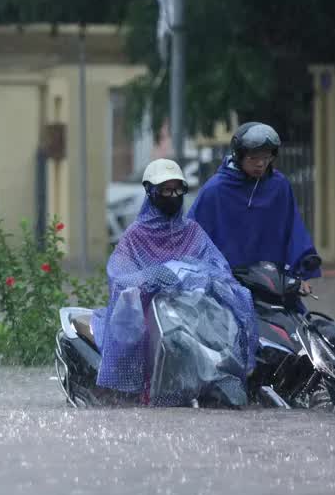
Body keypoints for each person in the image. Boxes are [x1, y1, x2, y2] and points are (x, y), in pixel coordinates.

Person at [93, 159, 257, 404]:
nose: (172, 195)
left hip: (190, 308)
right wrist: (149, 277)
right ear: (151, 192)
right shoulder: (135, 235)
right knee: (142, 337)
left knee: (232, 311)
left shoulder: (192, 231)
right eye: (165, 190)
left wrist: (203, 277)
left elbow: (217, 265)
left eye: (177, 189)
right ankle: (141, 390)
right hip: (152, 309)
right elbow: (119, 271)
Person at [189, 122, 320, 296]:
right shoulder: (215, 190)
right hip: (227, 288)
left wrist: (300, 273)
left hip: (273, 284)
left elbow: (293, 229)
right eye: (253, 158)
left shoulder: (279, 186)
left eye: (266, 158)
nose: (260, 164)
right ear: (238, 155)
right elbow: (192, 239)